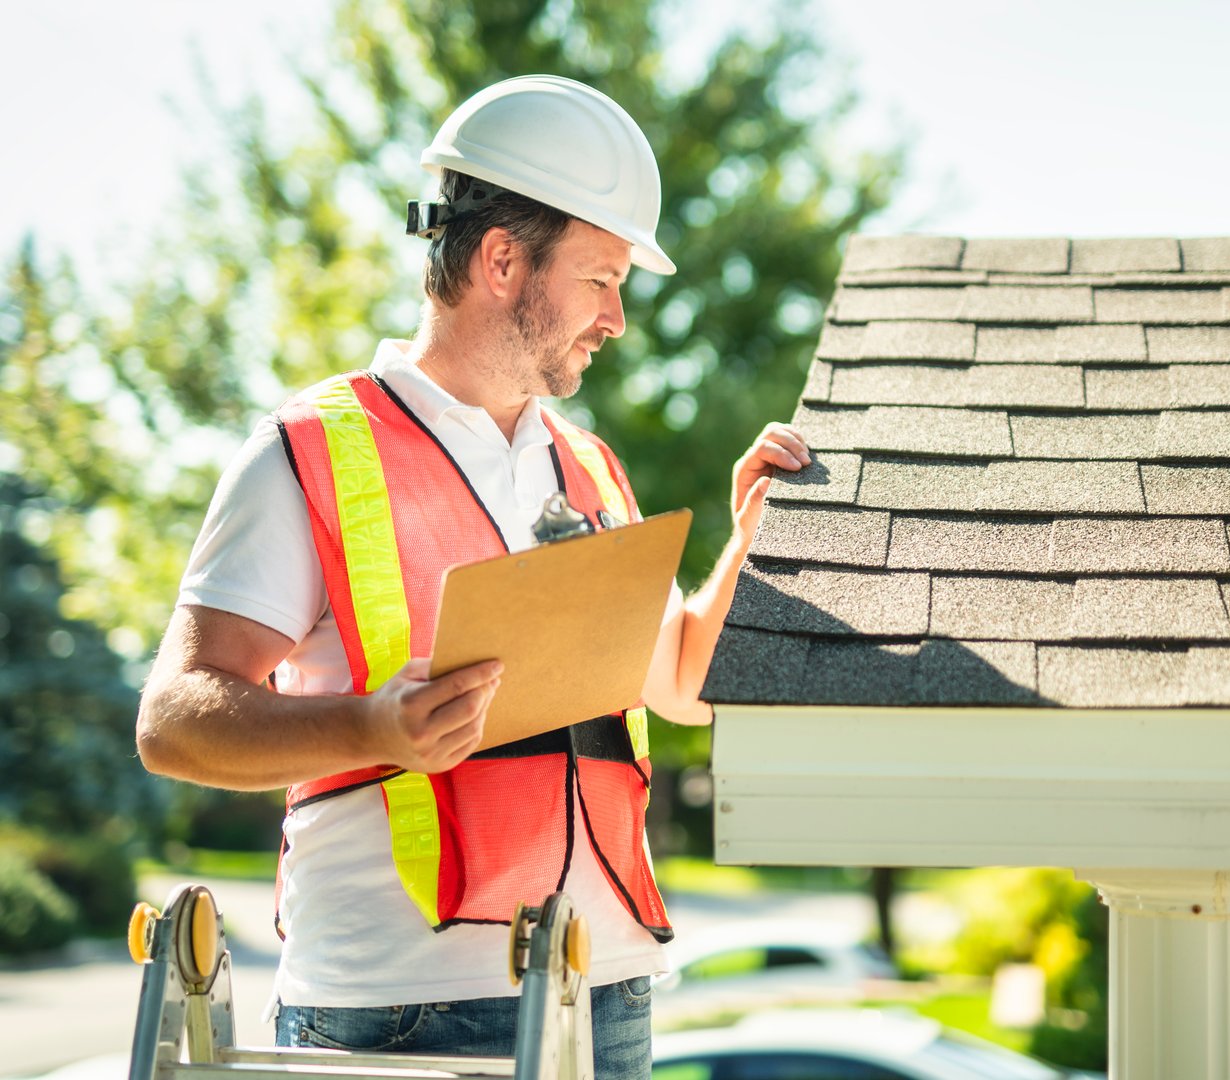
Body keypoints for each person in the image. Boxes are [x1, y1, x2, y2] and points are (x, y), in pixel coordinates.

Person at [136, 74, 809, 1079]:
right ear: (503, 259)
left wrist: (748, 536)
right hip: (400, 1010)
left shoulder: (586, 467)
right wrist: (367, 727)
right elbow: (174, 721)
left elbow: (682, 686)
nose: (618, 316)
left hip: (604, 990)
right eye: (601, 277)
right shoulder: (309, 451)